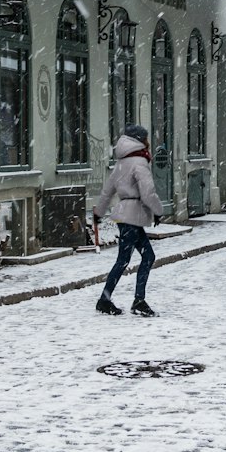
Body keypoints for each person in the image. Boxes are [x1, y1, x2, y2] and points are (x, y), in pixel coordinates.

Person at [92, 123, 163, 317]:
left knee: (146, 257)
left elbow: (107, 192)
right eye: (146, 138)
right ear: (140, 141)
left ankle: (133, 300)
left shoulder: (122, 163)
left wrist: (99, 213)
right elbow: (148, 193)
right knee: (124, 260)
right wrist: (157, 210)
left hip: (126, 215)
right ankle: (111, 300)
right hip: (133, 215)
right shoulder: (139, 162)